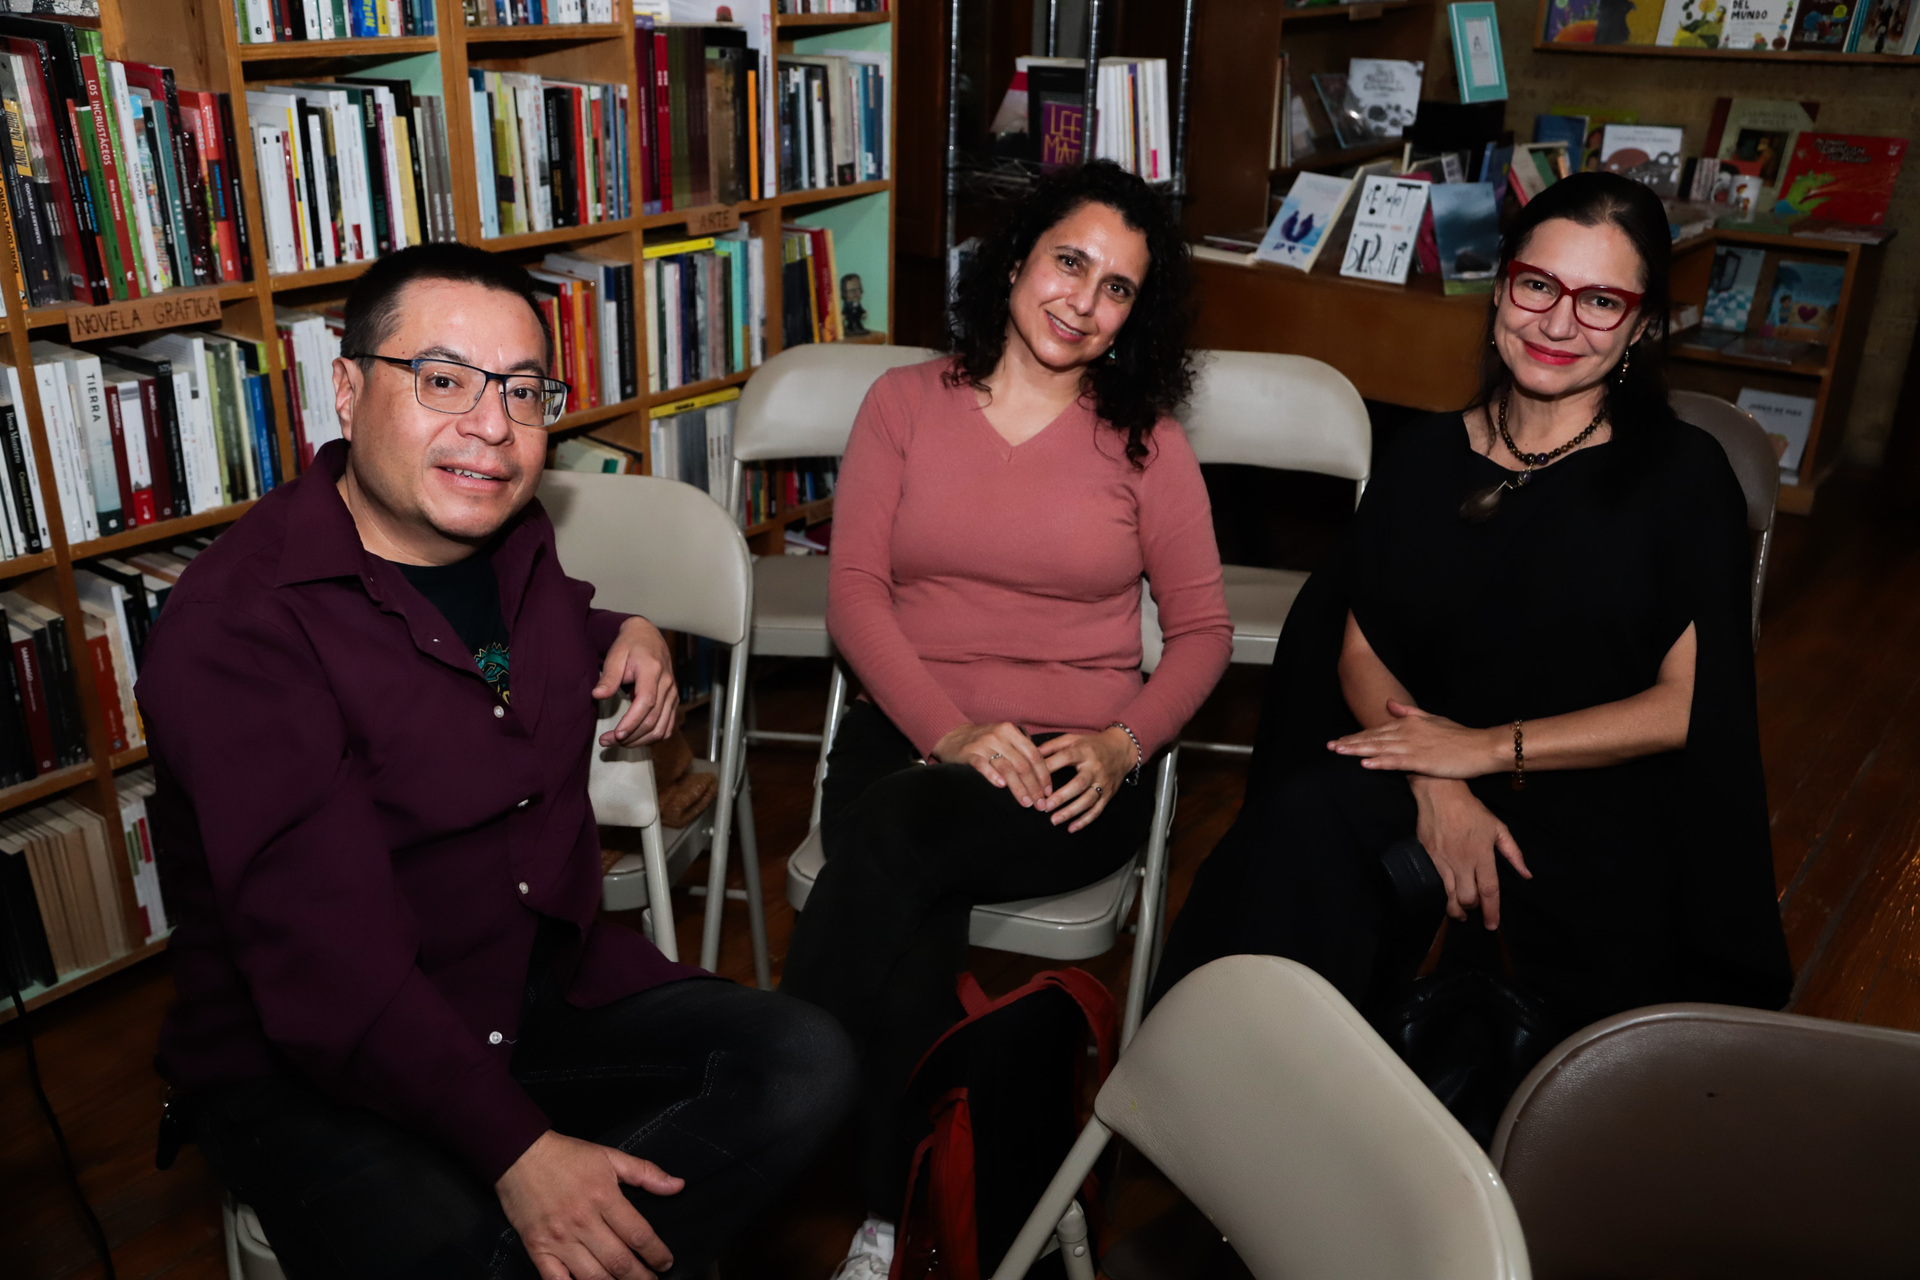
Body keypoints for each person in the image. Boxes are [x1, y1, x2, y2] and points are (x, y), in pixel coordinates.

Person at [141, 243, 855, 1280]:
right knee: (472, 1251)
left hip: (527, 984)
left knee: (805, 1062)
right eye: (444, 380)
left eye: (523, 391)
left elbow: (507, 642)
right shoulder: (239, 630)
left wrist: (627, 626)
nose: (492, 426)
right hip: (317, 1054)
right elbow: (330, 971)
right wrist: (521, 1153)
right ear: (346, 389)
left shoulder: (508, 535)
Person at [1153, 173, 1792, 1103]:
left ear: (1642, 325)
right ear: (1500, 289)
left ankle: (1441, 1144)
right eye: (1538, 285)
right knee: (1299, 830)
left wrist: (1486, 750)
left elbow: (1687, 707)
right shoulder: (1422, 454)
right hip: (1424, 763)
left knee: (1533, 959)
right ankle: (1220, 1111)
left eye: (1601, 301)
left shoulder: (1683, 480)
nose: (1558, 322)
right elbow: (1359, 651)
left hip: (1589, 796)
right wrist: (1437, 780)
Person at [781, 161, 1231, 1278]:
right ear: (1019, 257)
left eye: (1118, 288)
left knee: (897, 845)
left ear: (1136, 316)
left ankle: (775, 1103)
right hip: (911, 730)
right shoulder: (903, 404)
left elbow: (1204, 632)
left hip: (1071, 764)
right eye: (1070, 262)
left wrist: (1124, 744)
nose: (1084, 301)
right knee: (913, 880)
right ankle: (896, 1213)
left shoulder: (1147, 444)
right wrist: (948, 733)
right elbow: (854, 596)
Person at [840, 272, 870, 337]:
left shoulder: (857, 303)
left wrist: (863, 312)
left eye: (858, 290)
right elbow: (845, 310)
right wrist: (843, 315)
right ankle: (851, 329)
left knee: (859, 323)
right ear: (844, 293)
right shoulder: (847, 304)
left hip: (857, 317)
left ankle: (860, 328)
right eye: (851, 291)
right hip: (850, 317)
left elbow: (860, 309)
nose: (855, 293)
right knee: (851, 324)